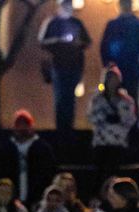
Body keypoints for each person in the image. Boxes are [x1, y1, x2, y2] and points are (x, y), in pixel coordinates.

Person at [38, 0, 91, 132]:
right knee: (60, 99)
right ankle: (61, 130)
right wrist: (58, 41)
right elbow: (42, 41)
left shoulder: (77, 23)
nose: (68, 8)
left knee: (70, 99)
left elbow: (87, 42)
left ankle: (69, 129)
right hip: (58, 66)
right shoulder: (52, 22)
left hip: (74, 67)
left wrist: (77, 43)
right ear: (60, 7)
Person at [0, 110, 58, 206]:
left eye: (25, 124)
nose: (22, 127)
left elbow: (49, 172)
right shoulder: (6, 149)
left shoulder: (43, 148)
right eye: (19, 124)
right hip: (11, 201)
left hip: (37, 200)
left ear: (31, 126)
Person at [88, 66, 137, 187]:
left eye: (115, 79)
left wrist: (119, 118)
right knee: (99, 174)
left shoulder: (127, 101)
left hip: (118, 142)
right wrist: (105, 118)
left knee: (115, 174)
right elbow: (91, 117)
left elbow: (131, 119)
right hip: (101, 142)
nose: (112, 82)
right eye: (110, 79)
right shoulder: (97, 100)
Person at [99, 0, 139, 99]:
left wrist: (107, 64)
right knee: (129, 98)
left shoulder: (113, 25)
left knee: (117, 98)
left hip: (121, 67)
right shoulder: (138, 24)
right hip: (128, 68)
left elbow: (104, 46)